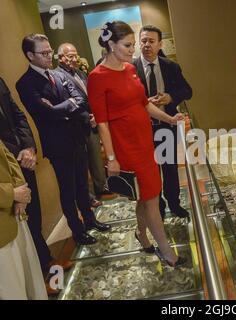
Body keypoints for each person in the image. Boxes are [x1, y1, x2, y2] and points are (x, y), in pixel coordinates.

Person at [88, 21, 186, 267]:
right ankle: (166, 251)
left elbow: (144, 103)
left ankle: (141, 234)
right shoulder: (97, 77)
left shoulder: (130, 69)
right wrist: (111, 158)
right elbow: (102, 123)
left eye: (134, 44)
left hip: (146, 143)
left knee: (144, 198)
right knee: (151, 197)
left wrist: (169, 118)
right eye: (128, 45)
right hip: (127, 147)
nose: (134, 49)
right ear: (111, 44)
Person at [16, 34, 111, 246]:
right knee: (68, 191)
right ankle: (77, 231)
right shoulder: (25, 83)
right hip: (58, 146)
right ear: (30, 55)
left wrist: (64, 107)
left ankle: (90, 220)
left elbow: (79, 99)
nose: (50, 56)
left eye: (50, 51)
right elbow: (46, 113)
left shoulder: (58, 75)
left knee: (81, 185)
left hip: (77, 137)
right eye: (44, 53)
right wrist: (67, 106)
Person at [0, 76, 74, 285]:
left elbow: (18, 116)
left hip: (23, 161)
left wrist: (28, 147)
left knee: (33, 215)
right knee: (16, 228)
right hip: (5, 171)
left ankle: (46, 263)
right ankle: (35, 280)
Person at [133, 25, 193, 220]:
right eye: (143, 41)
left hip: (166, 127)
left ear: (160, 44)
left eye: (151, 41)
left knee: (169, 168)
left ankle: (174, 203)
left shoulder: (170, 66)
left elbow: (187, 91)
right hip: (142, 130)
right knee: (150, 172)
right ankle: (157, 207)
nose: (147, 45)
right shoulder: (130, 69)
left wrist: (170, 97)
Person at [56, 43, 110, 208]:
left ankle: (102, 186)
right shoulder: (58, 76)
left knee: (96, 158)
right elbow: (70, 104)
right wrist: (88, 118)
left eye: (75, 55)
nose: (74, 59)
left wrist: (97, 116)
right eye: (70, 56)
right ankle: (88, 196)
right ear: (60, 58)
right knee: (82, 165)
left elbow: (90, 96)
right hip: (76, 126)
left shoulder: (81, 73)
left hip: (92, 122)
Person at [0, 140, 47, 300]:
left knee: (31, 281)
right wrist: (10, 194)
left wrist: (21, 190)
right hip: (2, 231)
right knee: (12, 289)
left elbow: (8, 157)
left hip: (15, 214)